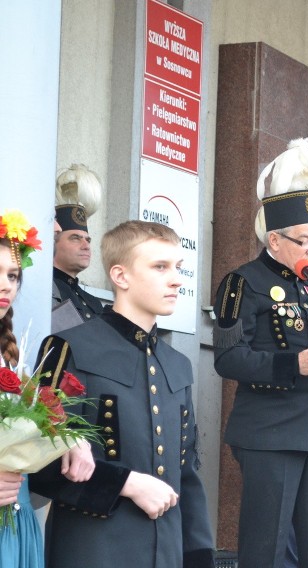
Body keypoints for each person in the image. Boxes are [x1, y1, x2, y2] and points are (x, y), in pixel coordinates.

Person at [212, 138, 308, 567]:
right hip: (271, 432)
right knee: (267, 545)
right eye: (304, 241)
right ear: (275, 239)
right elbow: (227, 358)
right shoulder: (243, 282)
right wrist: (289, 364)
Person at [30, 220, 214, 567]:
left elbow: (186, 473)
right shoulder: (68, 348)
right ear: (121, 276)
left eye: (178, 267)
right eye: (160, 267)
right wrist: (126, 483)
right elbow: (40, 464)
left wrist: (198, 555)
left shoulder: (178, 365)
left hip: (167, 552)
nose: (176, 278)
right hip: (94, 550)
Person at [0, 210, 94, 568]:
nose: (7, 285)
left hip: (15, 515)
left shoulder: (11, 356)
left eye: (13, 275)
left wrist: (70, 437)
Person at [52, 164, 105, 320]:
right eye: (75, 238)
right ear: (54, 243)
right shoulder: (47, 292)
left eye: (88, 240)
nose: (86, 246)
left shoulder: (94, 303)